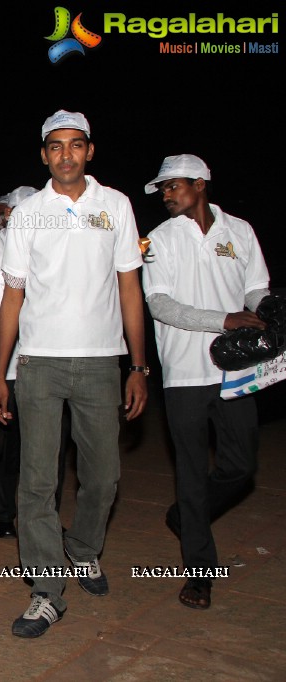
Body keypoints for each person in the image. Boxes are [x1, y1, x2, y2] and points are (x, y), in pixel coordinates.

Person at [0, 110, 148, 638]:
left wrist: (138, 365)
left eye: (75, 145)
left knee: (103, 475)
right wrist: (0, 370)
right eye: (55, 147)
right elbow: (13, 296)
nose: (65, 155)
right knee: (37, 481)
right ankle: (46, 589)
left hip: (102, 360)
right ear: (43, 154)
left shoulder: (116, 206)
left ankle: (83, 549)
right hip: (38, 362)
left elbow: (130, 288)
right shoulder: (28, 214)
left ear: (89, 150)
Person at [142, 154, 270, 610]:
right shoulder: (159, 239)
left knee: (240, 465)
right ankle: (199, 573)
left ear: (200, 183)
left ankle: (186, 516)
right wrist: (225, 320)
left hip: (237, 369)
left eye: (173, 186)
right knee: (191, 471)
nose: (166, 194)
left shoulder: (240, 231)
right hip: (184, 372)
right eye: (162, 189)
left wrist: (267, 308)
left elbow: (255, 287)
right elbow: (161, 305)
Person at [0, 184, 39, 540]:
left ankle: (36, 516)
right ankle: (2, 513)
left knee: (35, 447)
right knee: (1, 446)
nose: (5, 216)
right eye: (5, 212)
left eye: (10, 211)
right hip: (3, 360)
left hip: (41, 360)